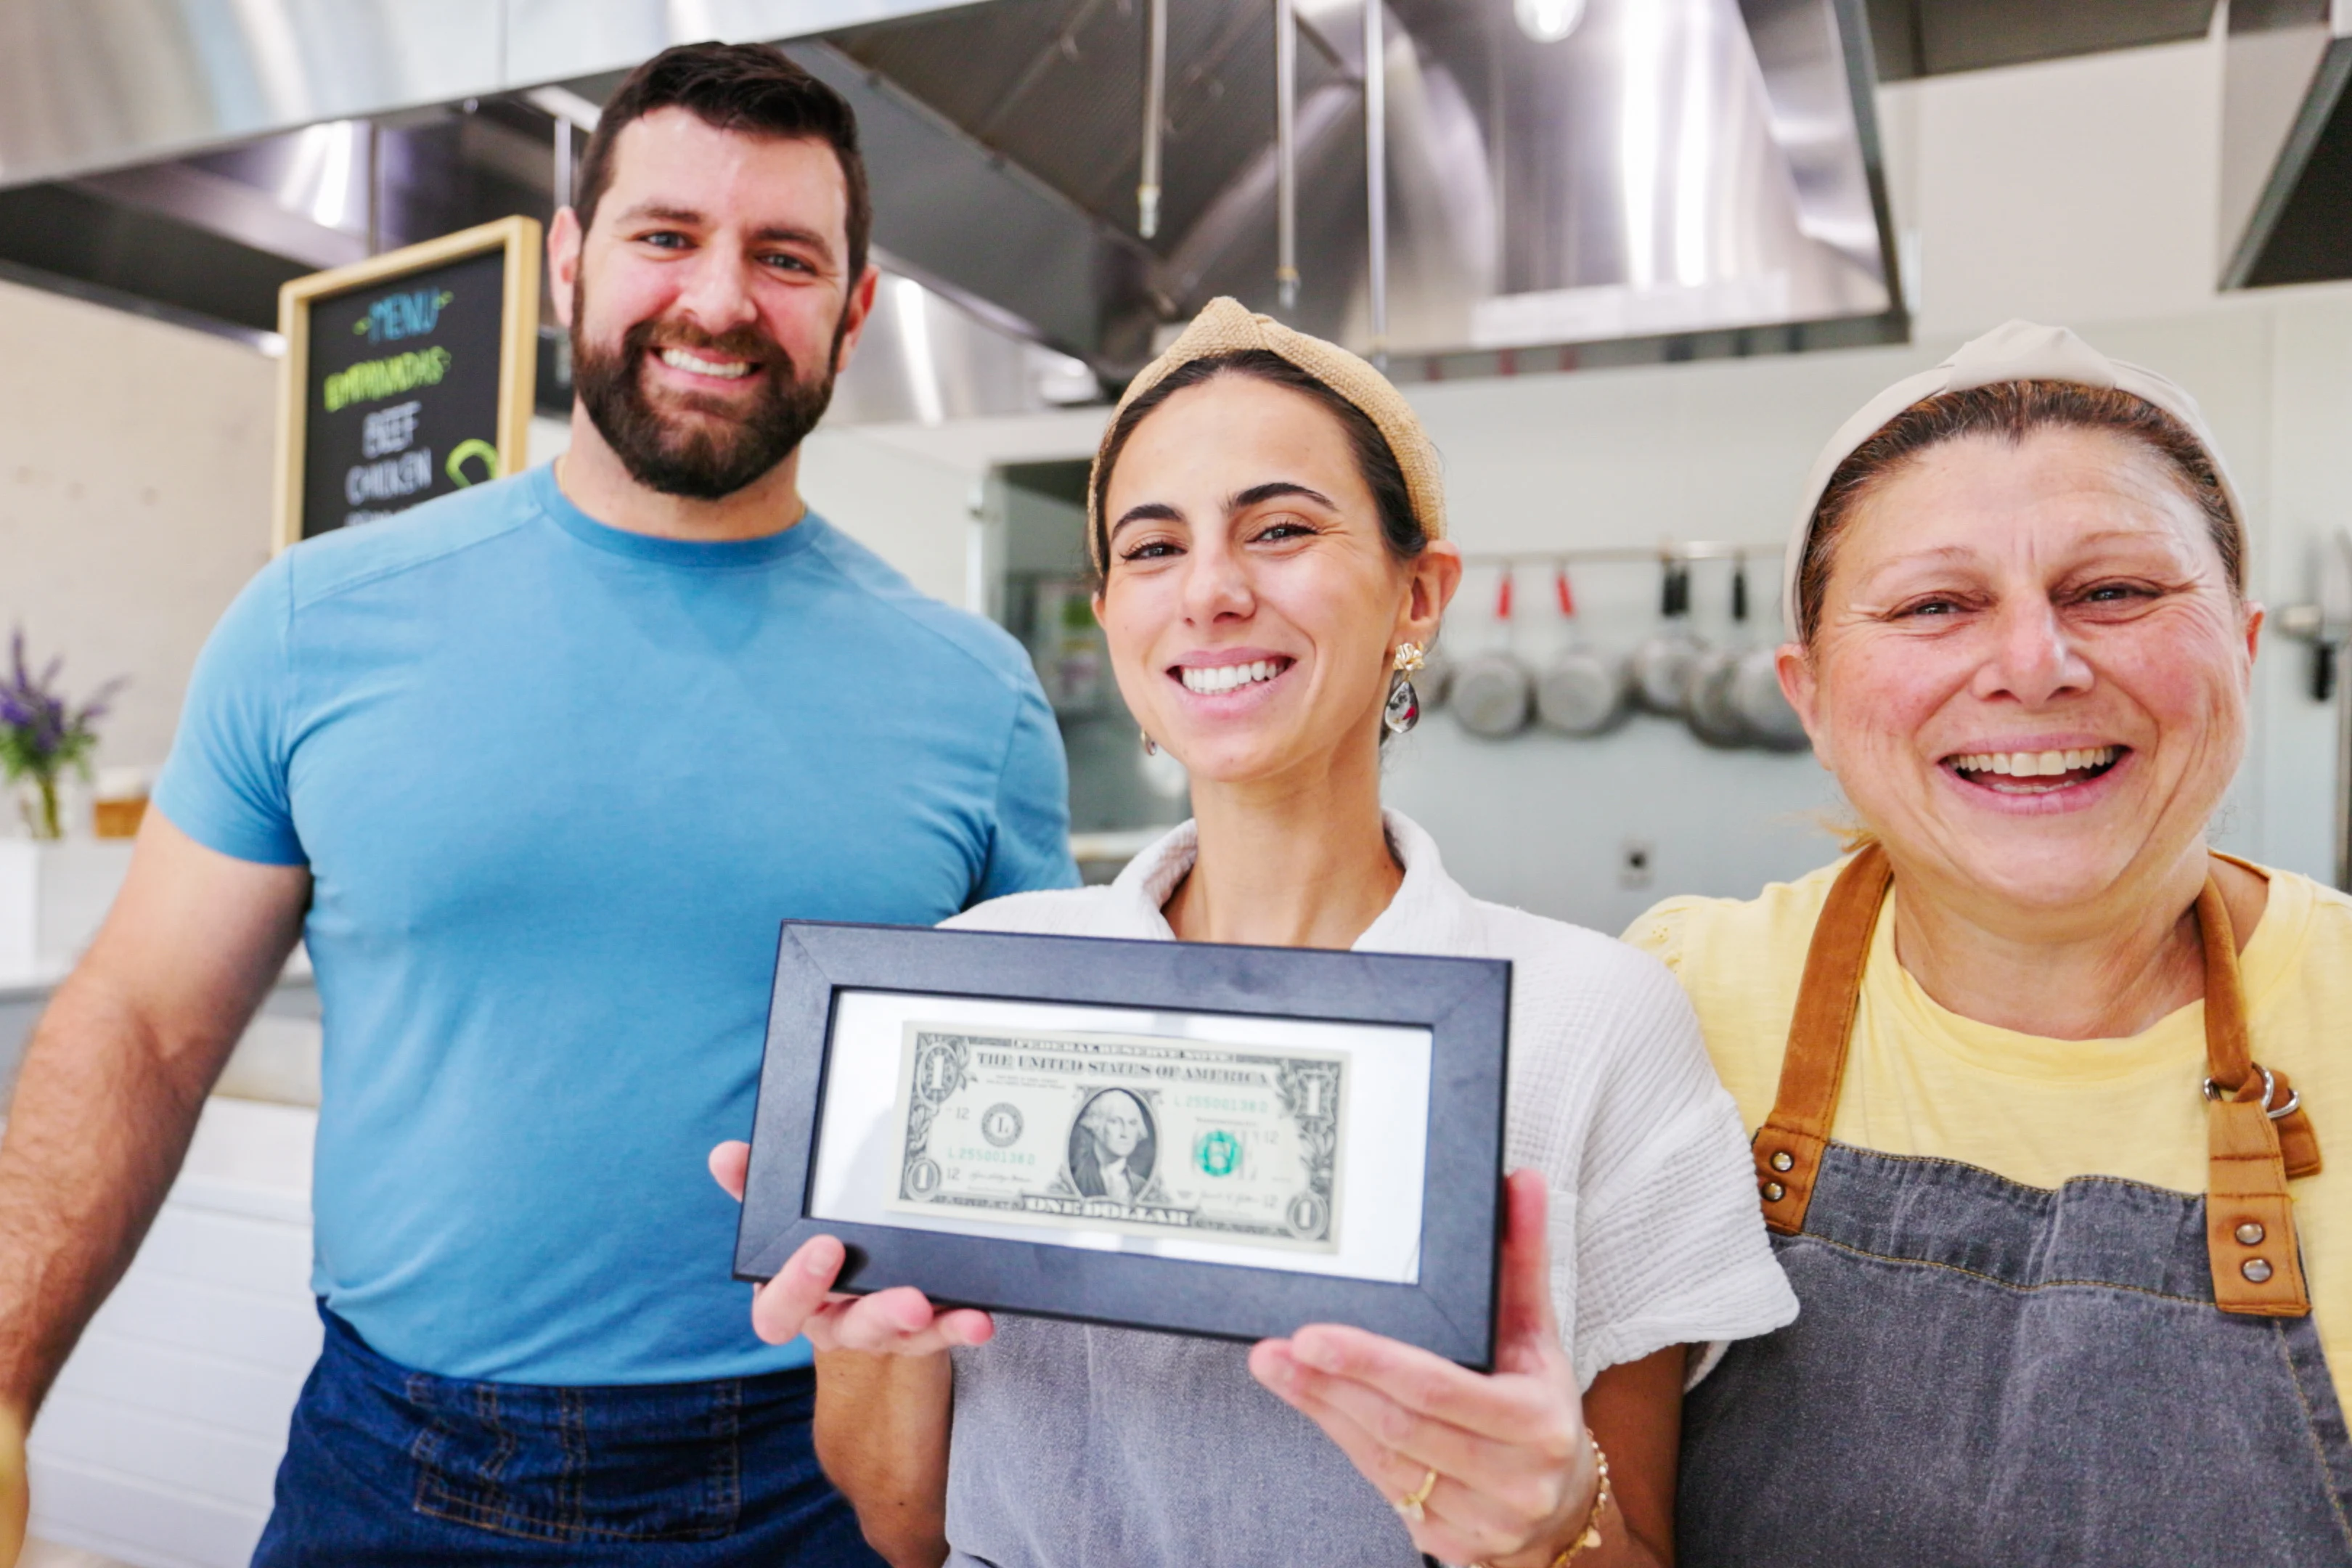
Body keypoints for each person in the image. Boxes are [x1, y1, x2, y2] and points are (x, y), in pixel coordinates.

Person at [0, 41, 1074, 1567]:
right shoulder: (312, 624)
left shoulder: (975, 698)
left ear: (855, 308)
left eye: (784, 257)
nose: (718, 300)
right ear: (572, 260)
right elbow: (144, 1025)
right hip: (394, 1470)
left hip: (814, 1479)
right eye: (665, 236)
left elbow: (1037, 1135)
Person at [710, 298, 1797, 1568]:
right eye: (1153, 548)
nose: (1213, 591)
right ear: (1111, 612)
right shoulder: (981, 985)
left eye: (1280, 529)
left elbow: (1638, 1544)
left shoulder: (1589, 1021)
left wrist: (1549, 1523)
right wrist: (864, 1342)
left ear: (1419, 595)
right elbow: (906, 1530)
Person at [1626, 321, 2352, 1565]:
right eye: (1935, 606)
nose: (2034, 664)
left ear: (2241, 646)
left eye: (2114, 591)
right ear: (1810, 698)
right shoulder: (1675, 1001)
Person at [1069, 1089, 1154, 1201]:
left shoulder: (1141, 1186)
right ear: (1096, 1125)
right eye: (1115, 1122)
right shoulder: (1077, 1177)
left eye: (1132, 1123)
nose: (1125, 1133)